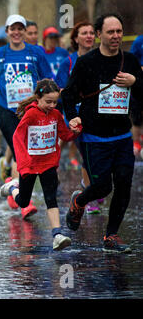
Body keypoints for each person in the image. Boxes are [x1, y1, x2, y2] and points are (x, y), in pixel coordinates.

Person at [62, 13, 143, 253]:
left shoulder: (129, 61)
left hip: (122, 136)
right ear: (99, 34)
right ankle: (79, 200)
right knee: (102, 187)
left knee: (124, 184)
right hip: (94, 137)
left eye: (119, 31)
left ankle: (111, 236)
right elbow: (68, 95)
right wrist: (72, 116)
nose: (116, 36)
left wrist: (134, 82)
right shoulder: (87, 63)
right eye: (111, 32)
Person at [0, 14, 54, 219]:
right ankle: (25, 201)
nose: (16, 32)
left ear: (24, 31)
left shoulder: (36, 52)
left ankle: (13, 188)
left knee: (26, 154)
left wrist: (48, 99)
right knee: (19, 153)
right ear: (6, 32)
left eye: (19, 29)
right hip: (7, 110)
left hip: (31, 111)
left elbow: (47, 78)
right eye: (12, 29)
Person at [0, 79, 80, 250]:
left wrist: (74, 133)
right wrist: (23, 162)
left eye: (55, 102)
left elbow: (64, 135)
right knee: (23, 201)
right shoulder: (30, 115)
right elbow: (17, 138)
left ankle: (57, 234)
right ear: (38, 98)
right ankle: (12, 188)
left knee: (51, 198)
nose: (52, 105)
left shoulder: (56, 115)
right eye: (48, 102)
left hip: (49, 163)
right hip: (29, 165)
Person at [56, 21, 101, 213]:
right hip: (75, 115)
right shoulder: (69, 61)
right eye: (84, 33)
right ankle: (88, 193)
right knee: (86, 153)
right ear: (76, 38)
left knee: (98, 154)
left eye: (92, 33)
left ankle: (90, 184)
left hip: (98, 114)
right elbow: (59, 89)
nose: (89, 36)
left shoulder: (102, 59)